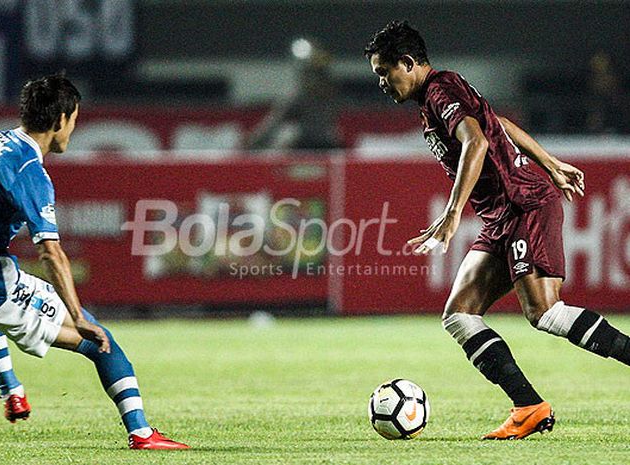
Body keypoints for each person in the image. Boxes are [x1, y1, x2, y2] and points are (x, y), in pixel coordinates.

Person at [364, 21, 630, 440]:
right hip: (500, 216)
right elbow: (497, 124)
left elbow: (477, 143)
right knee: (459, 314)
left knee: (545, 313)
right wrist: (551, 161)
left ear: (409, 62)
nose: (381, 81)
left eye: (384, 72)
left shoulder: (440, 90)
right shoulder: (435, 96)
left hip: (523, 204)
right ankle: (528, 406)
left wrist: (452, 214)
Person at [0, 74, 189, 450]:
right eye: (74, 120)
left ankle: (11, 391)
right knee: (101, 342)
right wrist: (79, 315)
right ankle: (142, 433)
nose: (73, 128)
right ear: (60, 121)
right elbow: (51, 252)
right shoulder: (28, 170)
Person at [244, 38, 344, 151]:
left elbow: (275, 122)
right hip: (328, 144)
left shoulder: (304, 96)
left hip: (312, 145)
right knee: (284, 140)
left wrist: (251, 143)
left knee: (283, 145)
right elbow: (275, 121)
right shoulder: (327, 92)